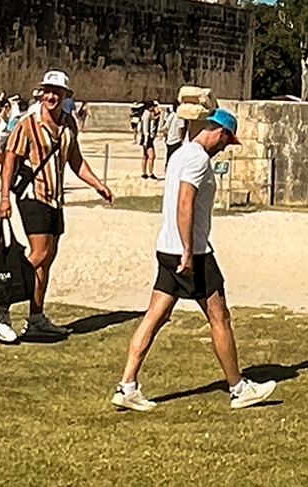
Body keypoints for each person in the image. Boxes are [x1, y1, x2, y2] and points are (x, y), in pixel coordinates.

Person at [111, 108, 276, 412]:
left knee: (155, 316)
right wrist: (188, 250)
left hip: (167, 247)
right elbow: (184, 202)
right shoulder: (198, 159)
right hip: (192, 253)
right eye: (227, 141)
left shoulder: (180, 154)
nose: (225, 148)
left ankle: (127, 385)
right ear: (220, 133)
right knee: (219, 317)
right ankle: (238, 388)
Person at [0, 70, 117, 344]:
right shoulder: (27, 123)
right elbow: (10, 160)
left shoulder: (69, 123)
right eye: (47, 91)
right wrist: (4, 197)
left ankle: (36, 318)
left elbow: (75, 160)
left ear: (66, 95)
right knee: (40, 252)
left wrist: (97, 184)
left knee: (47, 258)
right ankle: (0, 308)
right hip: (33, 195)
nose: (51, 96)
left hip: (55, 198)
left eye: (56, 92)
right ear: (41, 93)